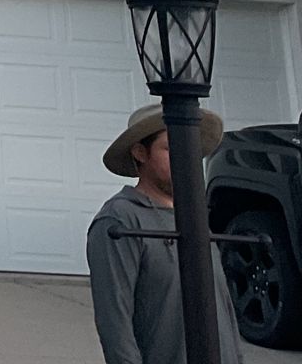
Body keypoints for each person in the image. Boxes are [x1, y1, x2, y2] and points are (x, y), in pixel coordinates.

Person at [87, 103, 241, 364]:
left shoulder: (195, 218)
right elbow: (115, 323)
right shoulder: (120, 220)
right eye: (170, 148)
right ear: (140, 152)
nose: (185, 157)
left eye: (191, 149)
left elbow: (224, 309)